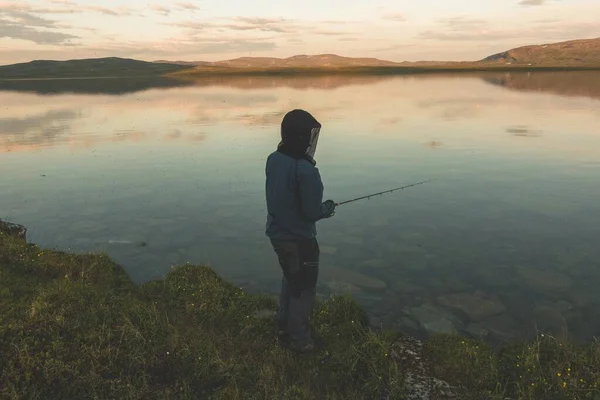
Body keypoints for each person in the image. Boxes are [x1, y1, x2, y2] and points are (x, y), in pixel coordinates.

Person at [265, 109, 336, 352]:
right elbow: (311, 212)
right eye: (309, 136)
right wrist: (326, 208)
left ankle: (283, 324)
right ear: (302, 138)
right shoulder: (307, 171)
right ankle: (300, 341)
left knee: (290, 278)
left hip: (277, 235)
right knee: (304, 288)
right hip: (300, 240)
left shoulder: (273, 159)